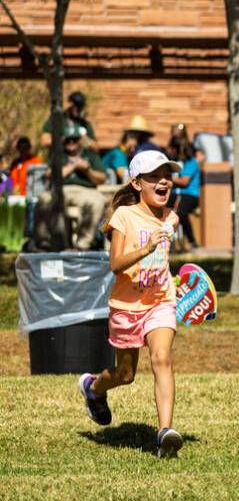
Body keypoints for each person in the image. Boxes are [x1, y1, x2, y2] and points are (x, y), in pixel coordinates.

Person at [78, 150, 187, 459]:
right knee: (125, 375)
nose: (164, 181)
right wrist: (146, 248)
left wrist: (176, 281)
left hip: (160, 301)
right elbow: (115, 264)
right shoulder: (123, 217)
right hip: (126, 307)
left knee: (162, 359)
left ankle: (165, 433)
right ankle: (93, 389)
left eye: (167, 175)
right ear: (137, 184)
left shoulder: (171, 217)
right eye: (155, 176)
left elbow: (161, 260)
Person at [32, 129, 107, 250]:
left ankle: (84, 243)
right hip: (61, 189)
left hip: (85, 190)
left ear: (81, 140)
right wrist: (71, 166)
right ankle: (44, 242)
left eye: (75, 139)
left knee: (98, 201)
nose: (71, 142)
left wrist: (87, 170)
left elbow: (102, 178)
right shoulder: (58, 155)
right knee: (43, 199)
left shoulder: (90, 155)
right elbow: (48, 175)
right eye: (68, 140)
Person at [168, 132, 201, 251]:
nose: (169, 150)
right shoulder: (173, 161)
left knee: (181, 212)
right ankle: (169, 243)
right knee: (161, 209)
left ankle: (192, 242)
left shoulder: (191, 162)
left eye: (171, 148)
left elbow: (184, 181)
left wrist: (167, 177)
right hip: (176, 193)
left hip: (191, 194)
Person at [40, 91, 96, 158]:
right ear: (70, 104)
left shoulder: (84, 123)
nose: (77, 108)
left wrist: (82, 140)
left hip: (80, 160)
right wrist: (63, 139)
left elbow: (96, 147)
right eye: (75, 105)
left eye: (80, 106)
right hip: (60, 158)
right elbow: (43, 142)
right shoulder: (57, 119)